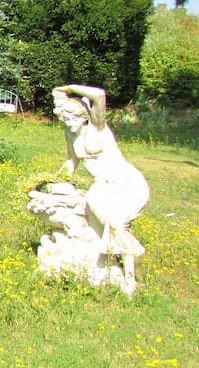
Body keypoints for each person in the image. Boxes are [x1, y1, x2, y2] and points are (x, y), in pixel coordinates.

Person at [52, 84, 149, 276]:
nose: (69, 122)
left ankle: (129, 277)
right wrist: (54, 179)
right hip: (102, 186)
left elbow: (99, 95)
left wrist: (68, 88)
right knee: (108, 224)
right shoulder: (70, 134)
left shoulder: (98, 127)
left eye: (73, 118)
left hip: (126, 181)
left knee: (117, 224)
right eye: (65, 118)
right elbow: (72, 161)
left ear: (84, 116)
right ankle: (103, 266)